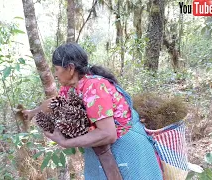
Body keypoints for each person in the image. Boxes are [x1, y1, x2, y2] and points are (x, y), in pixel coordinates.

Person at [23, 43, 163, 180]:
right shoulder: (71, 88)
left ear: (70, 68)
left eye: (57, 69)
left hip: (126, 149)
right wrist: (32, 112)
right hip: (102, 151)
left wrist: (65, 142)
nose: (55, 74)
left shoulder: (94, 87)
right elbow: (53, 103)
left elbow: (108, 134)